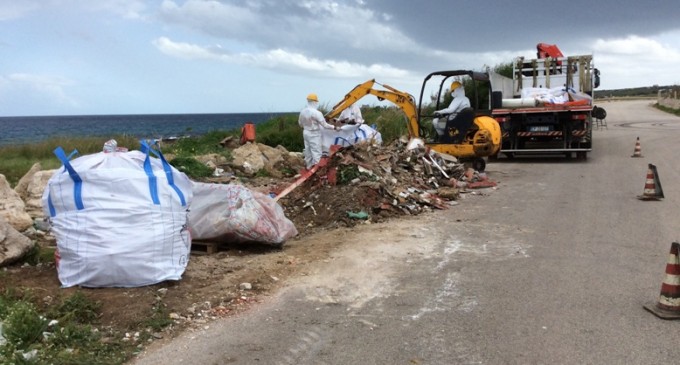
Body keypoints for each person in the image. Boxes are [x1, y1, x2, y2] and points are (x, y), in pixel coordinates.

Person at [298, 93, 339, 169]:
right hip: (314, 134)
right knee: (316, 152)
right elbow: (325, 125)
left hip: (305, 132)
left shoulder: (302, 112)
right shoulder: (317, 113)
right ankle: (317, 171)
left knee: (308, 152)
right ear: (315, 102)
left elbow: (300, 124)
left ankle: (309, 168)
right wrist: (334, 127)